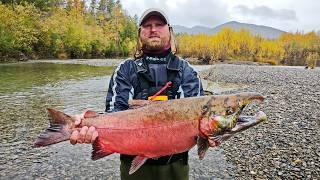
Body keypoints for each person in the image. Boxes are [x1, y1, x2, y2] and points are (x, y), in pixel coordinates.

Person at [70, 8, 204, 180]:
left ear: (170, 31)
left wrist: (212, 136)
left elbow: (200, 119)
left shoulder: (187, 71)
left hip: (175, 166)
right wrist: (90, 122)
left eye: (159, 24)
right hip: (133, 164)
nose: (153, 29)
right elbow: (114, 115)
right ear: (139, 33)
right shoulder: (125, 70)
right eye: (147, 25)